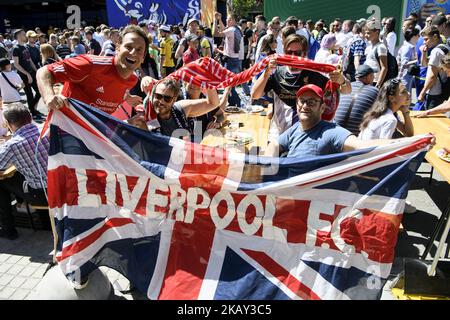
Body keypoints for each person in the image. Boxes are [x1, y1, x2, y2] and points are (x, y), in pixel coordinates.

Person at [264, 84, 420, 159]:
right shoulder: (296, 127)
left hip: (309, 195)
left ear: (322, 107)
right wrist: (269, 161)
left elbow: (361, 145)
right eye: (302, 101)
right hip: (286, 189)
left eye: (311, 102)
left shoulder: (331, 131)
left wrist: (413, 142)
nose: (305, 106)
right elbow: (276, 144)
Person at [37, 25, 151, 115]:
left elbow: (114, 90)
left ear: (143, 58)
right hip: (67, 129)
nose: (133, 53)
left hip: (93, 134)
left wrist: (127, 98)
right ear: (117, 47)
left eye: (139, 50)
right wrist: (49, 97)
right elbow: (45, 71)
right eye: (129, 47)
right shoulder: (91, 64)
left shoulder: (132, 80)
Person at [251, 34, 351, 137]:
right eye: (289, 52)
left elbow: (346, 91)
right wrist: (266, 72)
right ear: (284, 52)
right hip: (281, 133)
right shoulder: (276, 73)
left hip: (308, 135)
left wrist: (342, 80)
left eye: (297, 53)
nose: (293, 56)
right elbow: (255, 95)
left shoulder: (314, 74)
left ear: (304, 54)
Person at [0, 103, 49, 240]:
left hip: (42, 194)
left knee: (2, 182)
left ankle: (8, 229)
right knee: (26, 173)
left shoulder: (12, 145)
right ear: (30, 117)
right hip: (63, 185)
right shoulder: (47, 129)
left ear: (9, 123)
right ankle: (44, 221)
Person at [148, 78, 219, 139]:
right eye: (158, 96)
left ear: (174, 100)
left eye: (167, 98)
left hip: (187, 150)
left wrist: (206, 78)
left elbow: (213, 103)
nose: (161, 101)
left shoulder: (180, 108)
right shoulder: (145, 116)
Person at [334, 65, 379, 136]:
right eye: (373, 76)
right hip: (356, 136)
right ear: (369, 77)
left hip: (335, 130)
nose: (373, 78)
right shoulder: (375, 91)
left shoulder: (345, 88)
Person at [213, 12, 245, 107]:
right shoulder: (237, 29)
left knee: (229, 85)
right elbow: (224, 29)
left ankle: (236, 103)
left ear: (232, 20)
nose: (226, 20)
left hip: (231, 61)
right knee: (231, 84)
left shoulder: (231, 30)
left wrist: (215, 20)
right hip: (235, 60)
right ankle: (233, 103)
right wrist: (219, 19)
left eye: (228, 19)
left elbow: (216, 33)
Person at [12, 29, 43, 121]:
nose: (25, 35)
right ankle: (33, 112)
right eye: (23, 34)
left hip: (31, 73)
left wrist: (36, 71)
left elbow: (30, 61)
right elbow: (16, 64)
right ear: (18, 36)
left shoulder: (25, 47)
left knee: (39, 91)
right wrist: (27, 74)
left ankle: (31, 109)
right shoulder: (16, 48)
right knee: (29, 94)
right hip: (23, 75)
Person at [364, 20, 389, 88]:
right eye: (365, 33)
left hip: (375, 82)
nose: (366, 35)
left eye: (368, 33)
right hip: (367, 81)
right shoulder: (368, 48)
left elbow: (384, 68)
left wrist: (378, 85)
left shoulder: (381, 47)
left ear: (377, 32)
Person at [397, 28, 420, 94]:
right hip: (404, 77)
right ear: (413, 36)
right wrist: (417, 61)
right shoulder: (407, 47)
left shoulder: (410, 46)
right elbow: (404, 63)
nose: (419, 37)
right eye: (418, 35)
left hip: (407, 76)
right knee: (405, 97)